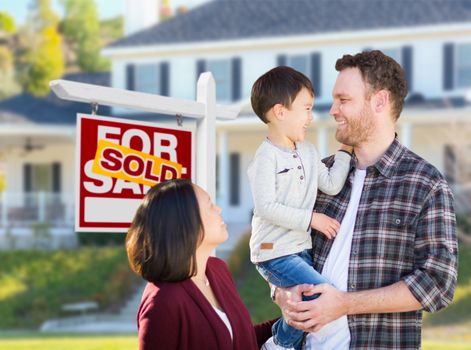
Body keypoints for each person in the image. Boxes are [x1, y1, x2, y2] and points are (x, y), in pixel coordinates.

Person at [273, 50, 458, 350]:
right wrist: (282, 293)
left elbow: (438, 283)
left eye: (343, 100)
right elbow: (280, 246)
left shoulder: (425, 184)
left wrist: (345, 304)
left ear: (380, 101)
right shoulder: (318, 175)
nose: (332, 110)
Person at [247, 66, 353, 349]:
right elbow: (266, 207)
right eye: (306, 109)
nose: (311, 117)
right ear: (280, 112)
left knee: (305, 303)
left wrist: (344, 152)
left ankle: (284, 344)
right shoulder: (265, 159)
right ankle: (278, 344)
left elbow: (330, 183)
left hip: (299, 249)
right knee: (322, 296)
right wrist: (311, 219)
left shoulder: (307, 151)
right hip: (273, 252)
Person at [126, 178, 277, 350]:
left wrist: (294, 321)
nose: (219, 209)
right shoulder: (162, 302)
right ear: (185, 223)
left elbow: (240, 338)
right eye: (210, 205)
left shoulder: (217, 269)